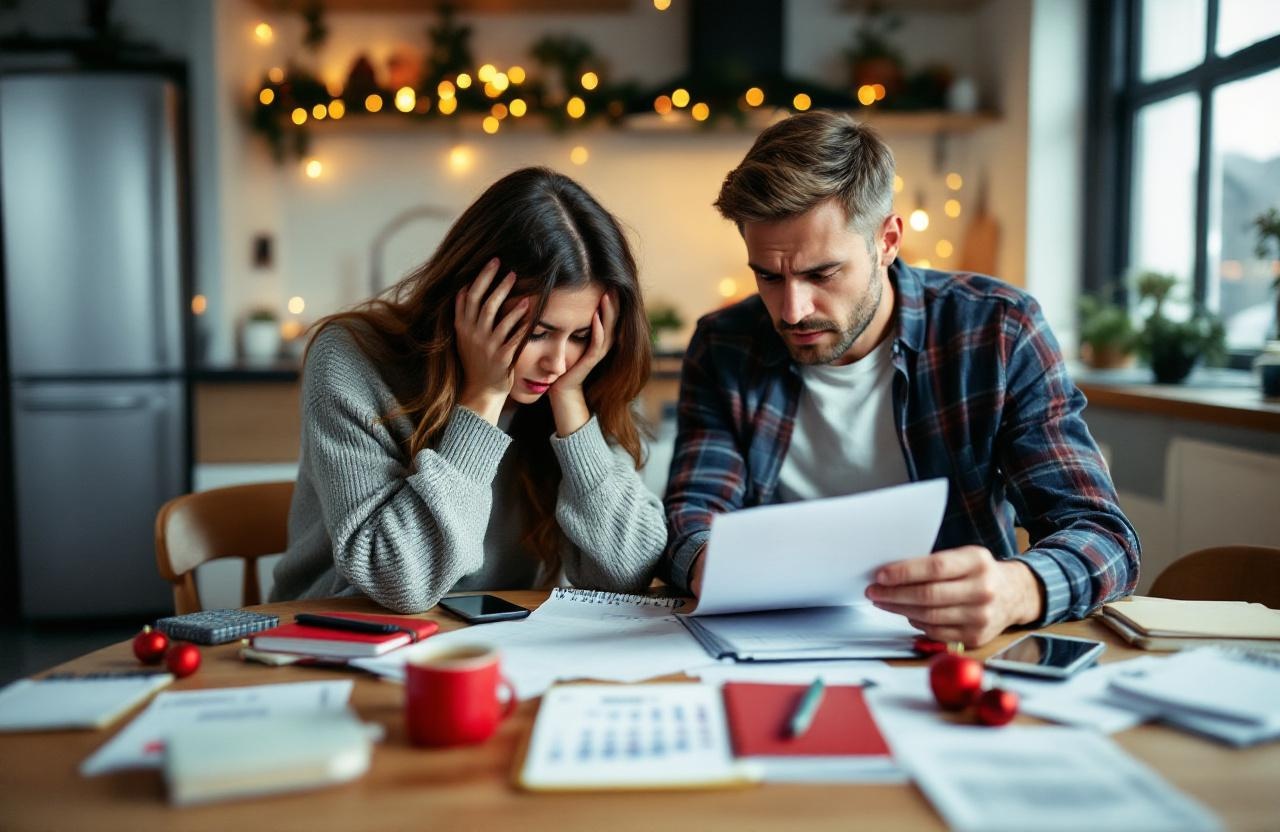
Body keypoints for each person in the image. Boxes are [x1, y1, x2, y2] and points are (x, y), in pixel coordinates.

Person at [662, 111, 1139, 646]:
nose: (792, 310)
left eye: (822, 274)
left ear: (886, 240)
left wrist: (1016, 589)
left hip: (955, 651)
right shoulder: (724, 343)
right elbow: (695, 510)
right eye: (769, 276)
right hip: (768, 644)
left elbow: (1103, 536)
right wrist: (704, 558)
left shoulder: (998, 329)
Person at [271, 167, 666, 613]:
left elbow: (628, 573)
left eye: (578, 337)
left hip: (489, 643)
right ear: (471, 302)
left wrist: (572, 405)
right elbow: (400, 581)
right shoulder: (350, 360)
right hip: (336, 635)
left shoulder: (578, 379)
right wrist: (484, 397)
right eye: (537, 332)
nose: (557, 364)